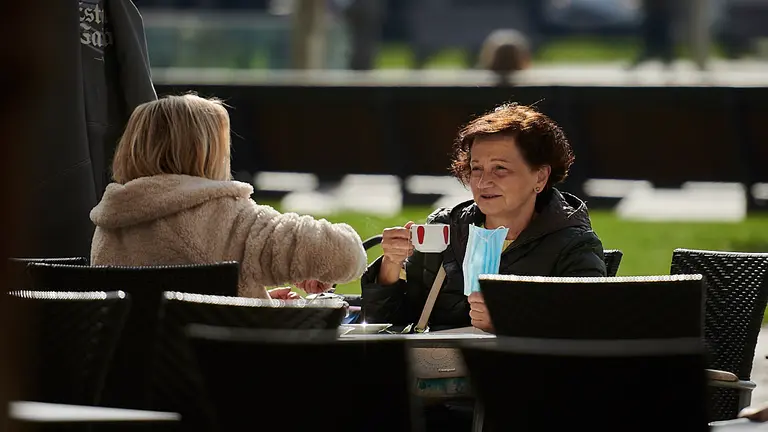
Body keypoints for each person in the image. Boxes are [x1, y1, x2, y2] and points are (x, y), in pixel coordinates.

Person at [89, 93, 367, 299]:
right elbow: (347, 255)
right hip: (226, 371)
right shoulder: (229, 218)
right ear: (205, 153)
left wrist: (258, 302)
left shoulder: (110, 224)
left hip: (132, 374)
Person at [361, 103, 607, 333]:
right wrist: (390, 266)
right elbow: (387, 325)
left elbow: (587, 332)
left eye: (500, 168)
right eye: (476, 168)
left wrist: (507, 324)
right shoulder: (444, 230)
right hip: (437, 374)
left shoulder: (573, 245)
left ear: (540, 177)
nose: (483, 181)